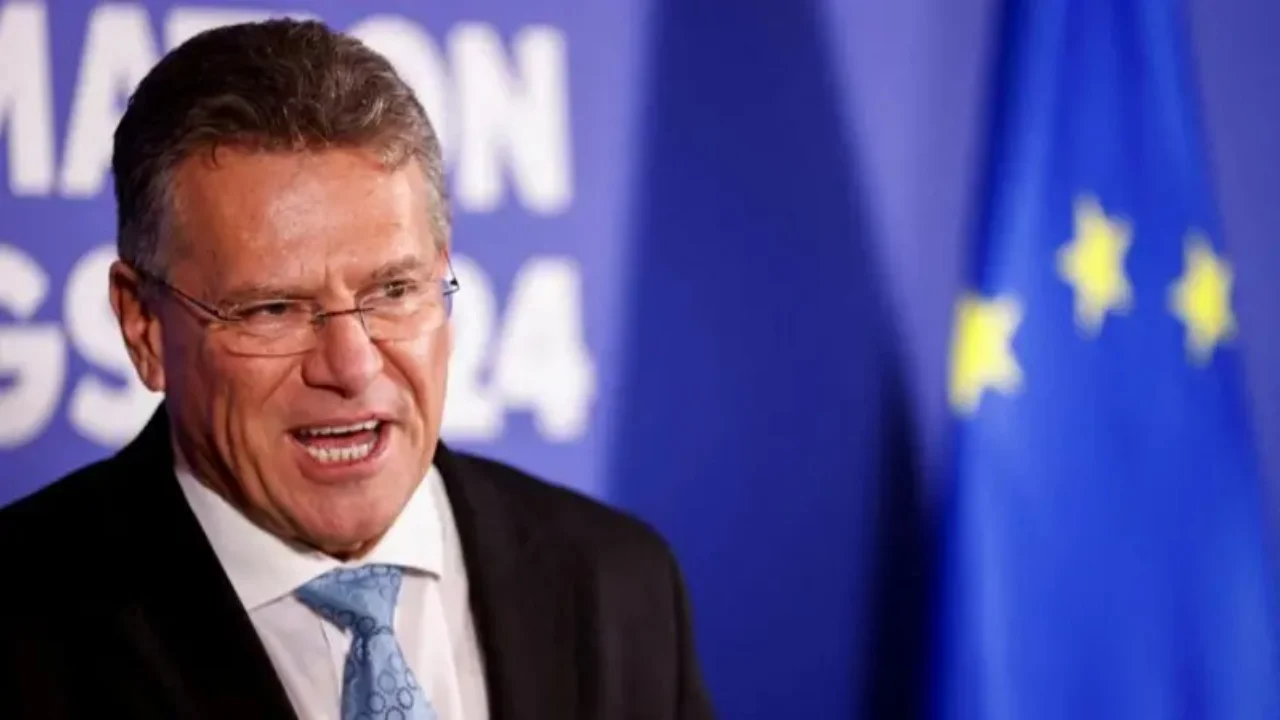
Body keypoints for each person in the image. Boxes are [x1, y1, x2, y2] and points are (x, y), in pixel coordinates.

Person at [0, 18, 713, 720]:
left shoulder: (616, 584)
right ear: (144, 325)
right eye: (273, 308)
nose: (351, 365)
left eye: (394, 291)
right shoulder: (25, 630)